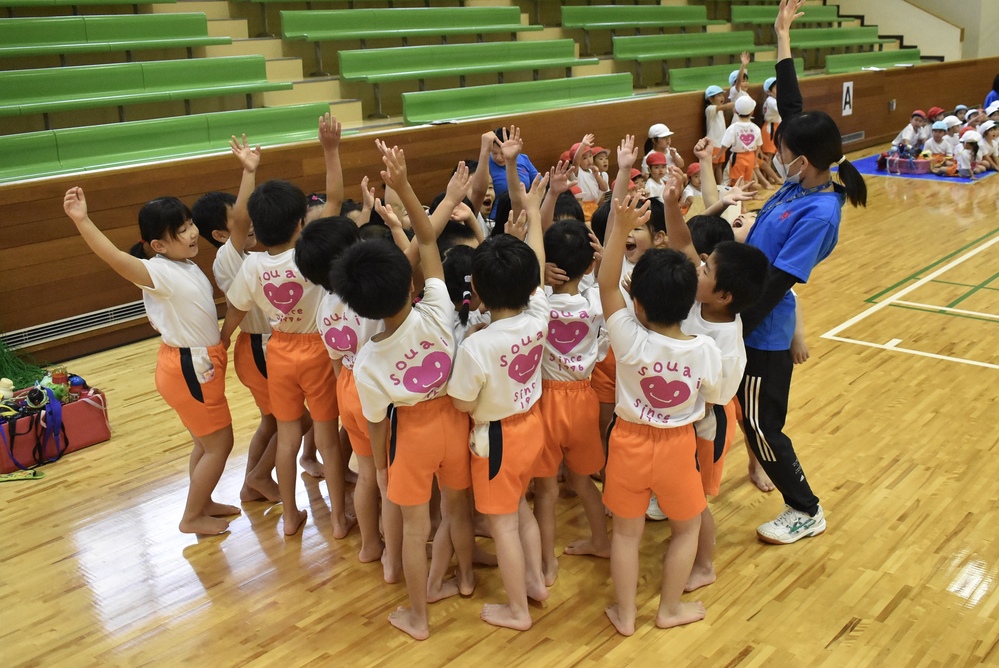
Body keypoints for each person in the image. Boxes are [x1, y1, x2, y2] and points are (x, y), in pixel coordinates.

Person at [737, 0, 868, 544]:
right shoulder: (803, 179)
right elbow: (791, 103)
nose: (778, 150)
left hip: (761, 326)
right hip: (756, 316)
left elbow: (777, 284)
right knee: (750, 417)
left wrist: (730, 318)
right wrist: (782, 36)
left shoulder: (819, 210)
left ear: (805, 160)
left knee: (763, 423)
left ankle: (805, 507)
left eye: (785, 150)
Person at [332, 144, 475, 640]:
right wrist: (406, 185)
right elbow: (430, 242)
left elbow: (376, 426)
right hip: (455, 420)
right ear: (404, 277)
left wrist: (383, 468)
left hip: (410, 437)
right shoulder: (436, 307)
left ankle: (418, 616)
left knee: (415, 529)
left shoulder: (367, 360)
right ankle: (468, 578)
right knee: (457, 508)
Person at [63, 189, 238, 535]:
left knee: (205, 444)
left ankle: (202, 502)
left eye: (190, 225)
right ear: (158, 244)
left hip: (193, 364)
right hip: (190, 368)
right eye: (182, 230)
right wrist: (82, 220)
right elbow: (113, 257)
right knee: (221, 444)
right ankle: (191, 517)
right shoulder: (157, 272)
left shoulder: (182, 263)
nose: (191, 233)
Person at [598, 184, 723, 636]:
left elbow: (606, 282)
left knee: (627, 535)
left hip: (628, 443)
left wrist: (621, 228)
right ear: (691, 298)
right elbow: (712, 392)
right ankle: (669, 609)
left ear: (638, 303)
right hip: (677, 447)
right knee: (686, 529)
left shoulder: (629, 339)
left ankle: (626, 615)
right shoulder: (705, 348)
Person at [448, 126, 552, 632]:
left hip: (496, 442)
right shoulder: (540, 313)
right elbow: (533, 255)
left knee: (503, 522)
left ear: (479, 295)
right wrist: (530, 211)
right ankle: (534, 581)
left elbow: (464, 403)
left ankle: (517, 609)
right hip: (533, 427)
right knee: (523, 510)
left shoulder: (477, 344)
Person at [661, 174, 769, 592]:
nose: (698, 265)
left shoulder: (726, 344)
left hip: (710, 423)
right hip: (688, 419)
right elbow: (683, 244)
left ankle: (704, 564)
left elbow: (715, 397)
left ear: (723, 295)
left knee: (696, 502)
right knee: (684, 498)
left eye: (706, 268)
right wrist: (672, 205)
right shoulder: (702, 299)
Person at [194, 137, 280, 505]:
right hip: (259, 347)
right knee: (297, 421)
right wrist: (250, 171)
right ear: (220, 234)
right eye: (238, 221)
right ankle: (259, 477)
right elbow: (244, 216)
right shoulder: (228, 257)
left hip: (262, 346)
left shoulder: (247, 255)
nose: (248, 224)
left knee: (274, 421)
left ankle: (250, 485)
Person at [533, 219, 611, 587]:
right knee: (583, 481)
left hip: (545, 399)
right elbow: (607, 288)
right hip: (584, 398)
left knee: (547, 490)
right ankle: (601, 541)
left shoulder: (538, 303)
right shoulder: (598, 301)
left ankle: (547, 564)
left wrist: (538, 270)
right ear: (590, 263)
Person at [721, 97, 766, 187]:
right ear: (752, 112)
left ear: (735, 111)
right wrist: (755, 158)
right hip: (750, 155)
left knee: (739, 179)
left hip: (738, 156)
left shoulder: (733, 128)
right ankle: (746, 195)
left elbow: (725, 145)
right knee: (747, 177)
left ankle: (743, 197)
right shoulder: (755, 127)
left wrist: (717, 156)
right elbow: (759, 145)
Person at [705, 84, 735, 185]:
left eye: (722, 95)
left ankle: (720, 184)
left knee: (719, 166)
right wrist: (738, 102)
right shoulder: (710, 109)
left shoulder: (719, 110)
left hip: (720, 144)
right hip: (713, 144)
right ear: (710, 98)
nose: (722, 97)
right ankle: (710, 185)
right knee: (712, 167)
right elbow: (725, 106)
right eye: (719, 95)